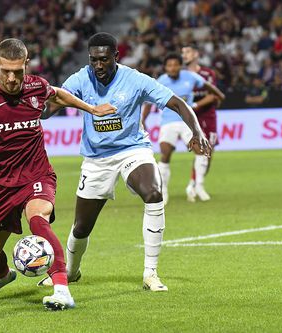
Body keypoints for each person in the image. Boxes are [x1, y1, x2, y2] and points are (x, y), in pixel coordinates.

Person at [0, 38, 116, 310]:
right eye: (6, 71)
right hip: (0, 184)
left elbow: (58, 94)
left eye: (18, 71)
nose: (12, 78)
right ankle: (3, 277)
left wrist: (91, 108)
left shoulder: (36, 86)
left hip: (36, 175)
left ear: (26, 65)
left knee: (38, 221)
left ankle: (62, 288)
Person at [38, 32, 211, 292]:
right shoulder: (80, 78)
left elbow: (176, 103)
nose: (98, 66)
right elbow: (50, 109)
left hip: (133, 150)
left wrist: (197, 132)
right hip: (96, 158)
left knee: (153, 193)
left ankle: (150, 273)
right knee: (81, 226)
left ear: (116, 57)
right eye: (94, 60)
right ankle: (71, 272)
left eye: (104, 60)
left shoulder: (135, 80)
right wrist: (35, 104)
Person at [145, 52, 224, 205]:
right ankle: (164, 191)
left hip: (188, 122)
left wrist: (220, 96)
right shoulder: (161, 81)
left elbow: (208, 86)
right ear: (165, 67)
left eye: (175, 65)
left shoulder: (190, 76)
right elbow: (148, 102)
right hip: (168, 123)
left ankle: (199, 187)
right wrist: (143, 120)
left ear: (180, 66)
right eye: (169, 65)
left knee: (201, 152)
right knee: (165, 154)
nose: (173, 68)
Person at [181, 44, 224, 202]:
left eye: (188, 51)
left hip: (207, 115)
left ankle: (194, 183)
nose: (184, 55)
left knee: (209, 153)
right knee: (199, 150)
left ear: (196, 54)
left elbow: (213, 96)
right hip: (190, 118)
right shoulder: (180, 75)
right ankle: (195, 185)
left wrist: (196, 105)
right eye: (183, 52)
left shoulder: (207, 73)